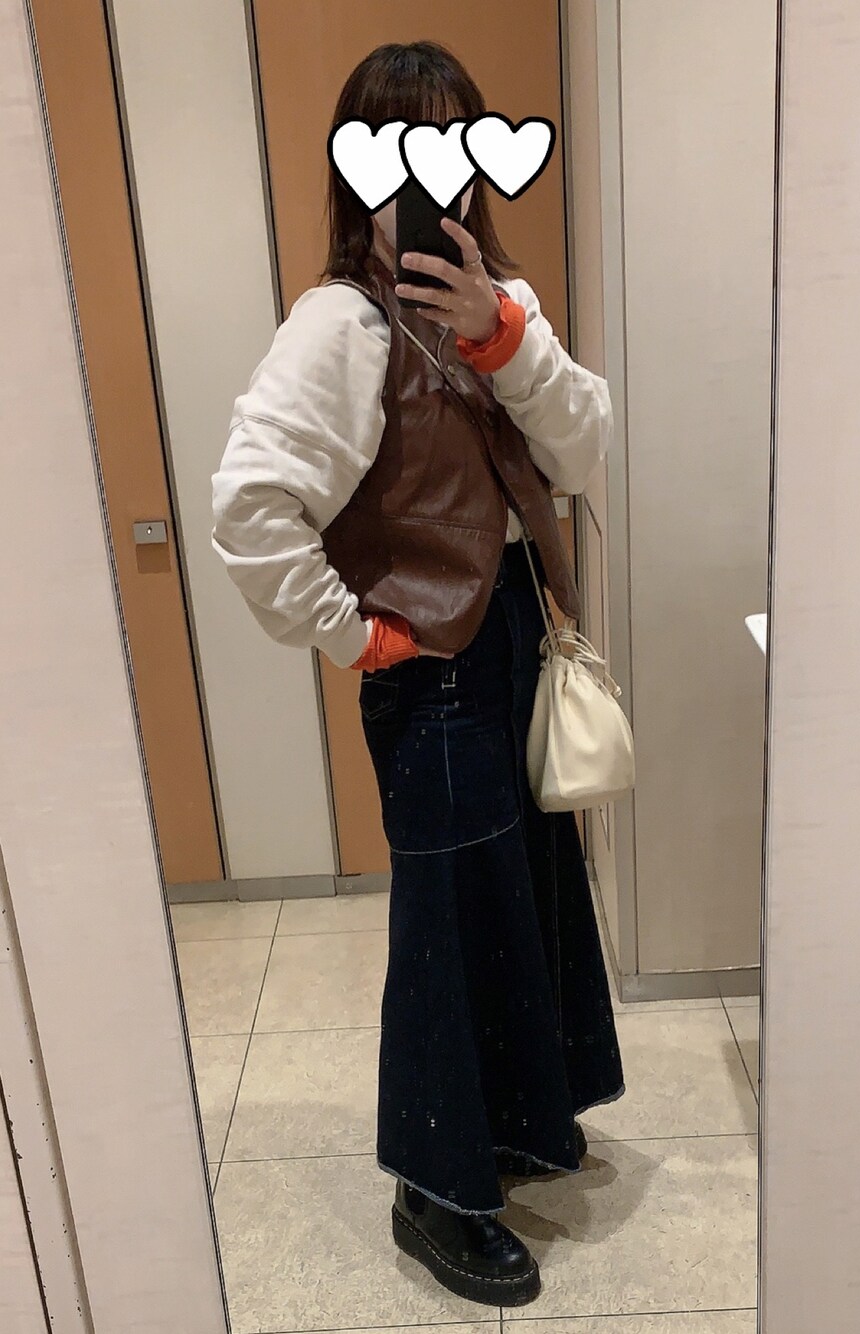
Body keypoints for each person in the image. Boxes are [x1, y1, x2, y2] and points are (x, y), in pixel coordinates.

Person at [211, 40, 625, 1308]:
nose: (431, 174)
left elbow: (584, 449)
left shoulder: (505, 302)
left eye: (452, 143)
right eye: (399, 150)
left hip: (510, 639)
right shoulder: (338, 323)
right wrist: (354, 635)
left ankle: (513, 1125)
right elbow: (249, 506)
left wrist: (504, 337)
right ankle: (436, 1189)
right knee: (447, 927)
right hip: (429, 670)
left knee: (524, 895)